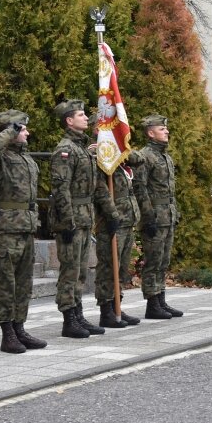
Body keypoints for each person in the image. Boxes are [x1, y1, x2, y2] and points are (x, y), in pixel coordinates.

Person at [0, 110, 47, 353]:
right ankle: (7, 333)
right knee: (5, 283)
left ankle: (19, 327)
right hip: (5, 230)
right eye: (22, 129)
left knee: (23, 283)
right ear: (11, 131)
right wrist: (10, 131)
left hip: (26, 227)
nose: (27, 132)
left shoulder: (26, 158)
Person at [51, 99, 119, 338]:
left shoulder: (83, 149)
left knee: (80, 272)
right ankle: (68, 319)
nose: (85, 118)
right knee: (70, 271)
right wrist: (67, 221)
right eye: (80, 114)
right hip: (72, 220)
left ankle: (78, 314)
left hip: (85, 217)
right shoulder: (65, 150)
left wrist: (111, 213)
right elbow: (61, 190)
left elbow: (97, 186)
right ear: (69, 120)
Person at [90, 112, 143, 329]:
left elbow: (139, 159)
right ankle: (106, 310)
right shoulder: (95, 155)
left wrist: (119, 148)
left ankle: (117, 305)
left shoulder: (118, 154)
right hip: (111, 220)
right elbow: (99, 190)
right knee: (107, 267)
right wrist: (111, 214)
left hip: (127, 220)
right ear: (96, 131)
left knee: (120, 268)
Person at [133, 114, 183, 318]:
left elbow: (169, 190)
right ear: (150, 133)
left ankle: (161, 299)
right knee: (153, 260)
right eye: (162, 129)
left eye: (166, 129)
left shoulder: (165, 157)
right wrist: (148, 216)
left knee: (163, 260)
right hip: (154, 216)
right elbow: (140, 188)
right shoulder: (145, 156)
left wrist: (175, 211)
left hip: (167, 215)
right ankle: (152, 303)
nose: (167, 132)